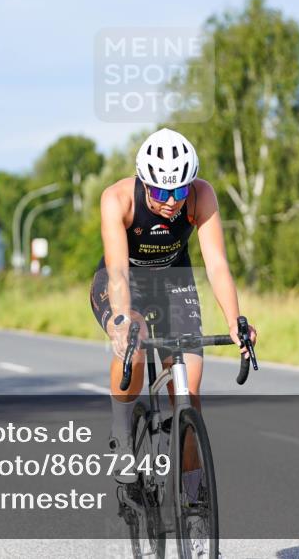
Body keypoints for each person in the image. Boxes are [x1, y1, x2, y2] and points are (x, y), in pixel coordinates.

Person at [90, 128, 257, 483]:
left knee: (187, 393)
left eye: (179, 190)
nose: (171, 201)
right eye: (161, 191)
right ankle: (121, 435)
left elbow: (216, 265)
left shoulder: (201, 195)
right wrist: (121, 320)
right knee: (133, 341)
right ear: (143, 181)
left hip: (173, 281)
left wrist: (234, 321)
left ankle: (193, 493)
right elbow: (118, 271)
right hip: (123, 282)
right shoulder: (117, 199)